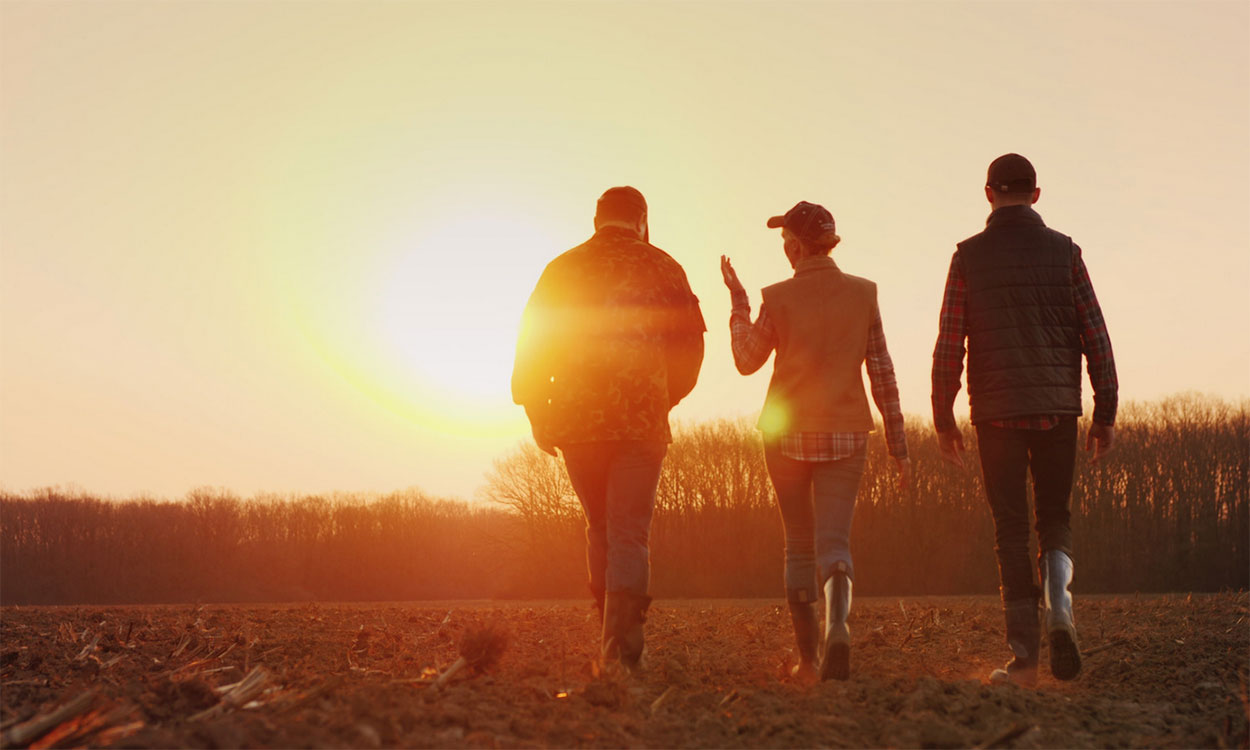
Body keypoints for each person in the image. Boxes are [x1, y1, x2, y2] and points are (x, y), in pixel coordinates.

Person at [931, 153, 1118, 686]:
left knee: (1010, 530)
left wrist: (943, 416)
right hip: (1058, 408)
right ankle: (1061, 607)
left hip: (995, 414)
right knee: (1055, 518)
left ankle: (1025, 660)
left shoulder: (968, 257)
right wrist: (1104, 412)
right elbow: (1096, 336)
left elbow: (950, 342)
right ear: (1036, 194)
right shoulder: (1066, 253)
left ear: (988, 194)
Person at [511, 186, 705, 672]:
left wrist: (537, 409)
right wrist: (665, 397)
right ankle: (624, 634)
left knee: (599, 525)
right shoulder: (664, 266)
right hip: (641, 422)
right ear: (641, 219)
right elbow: (691, 348)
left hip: (577, 423)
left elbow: (532, 344)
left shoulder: (562, 270)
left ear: (597, 219)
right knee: (630, 533)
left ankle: (607, 631)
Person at [721, 201, 910, 681]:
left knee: (799, 546)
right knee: (834, 543)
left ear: (798, 246)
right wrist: (897, 442)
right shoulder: (864, 294)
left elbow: (746, 359)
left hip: (785, 436)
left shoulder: (776, 297)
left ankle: (807, 661)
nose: (784, 247)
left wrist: (739, 305)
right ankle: (839, 626)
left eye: (786, 239)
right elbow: (882, 371)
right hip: (847, 432)